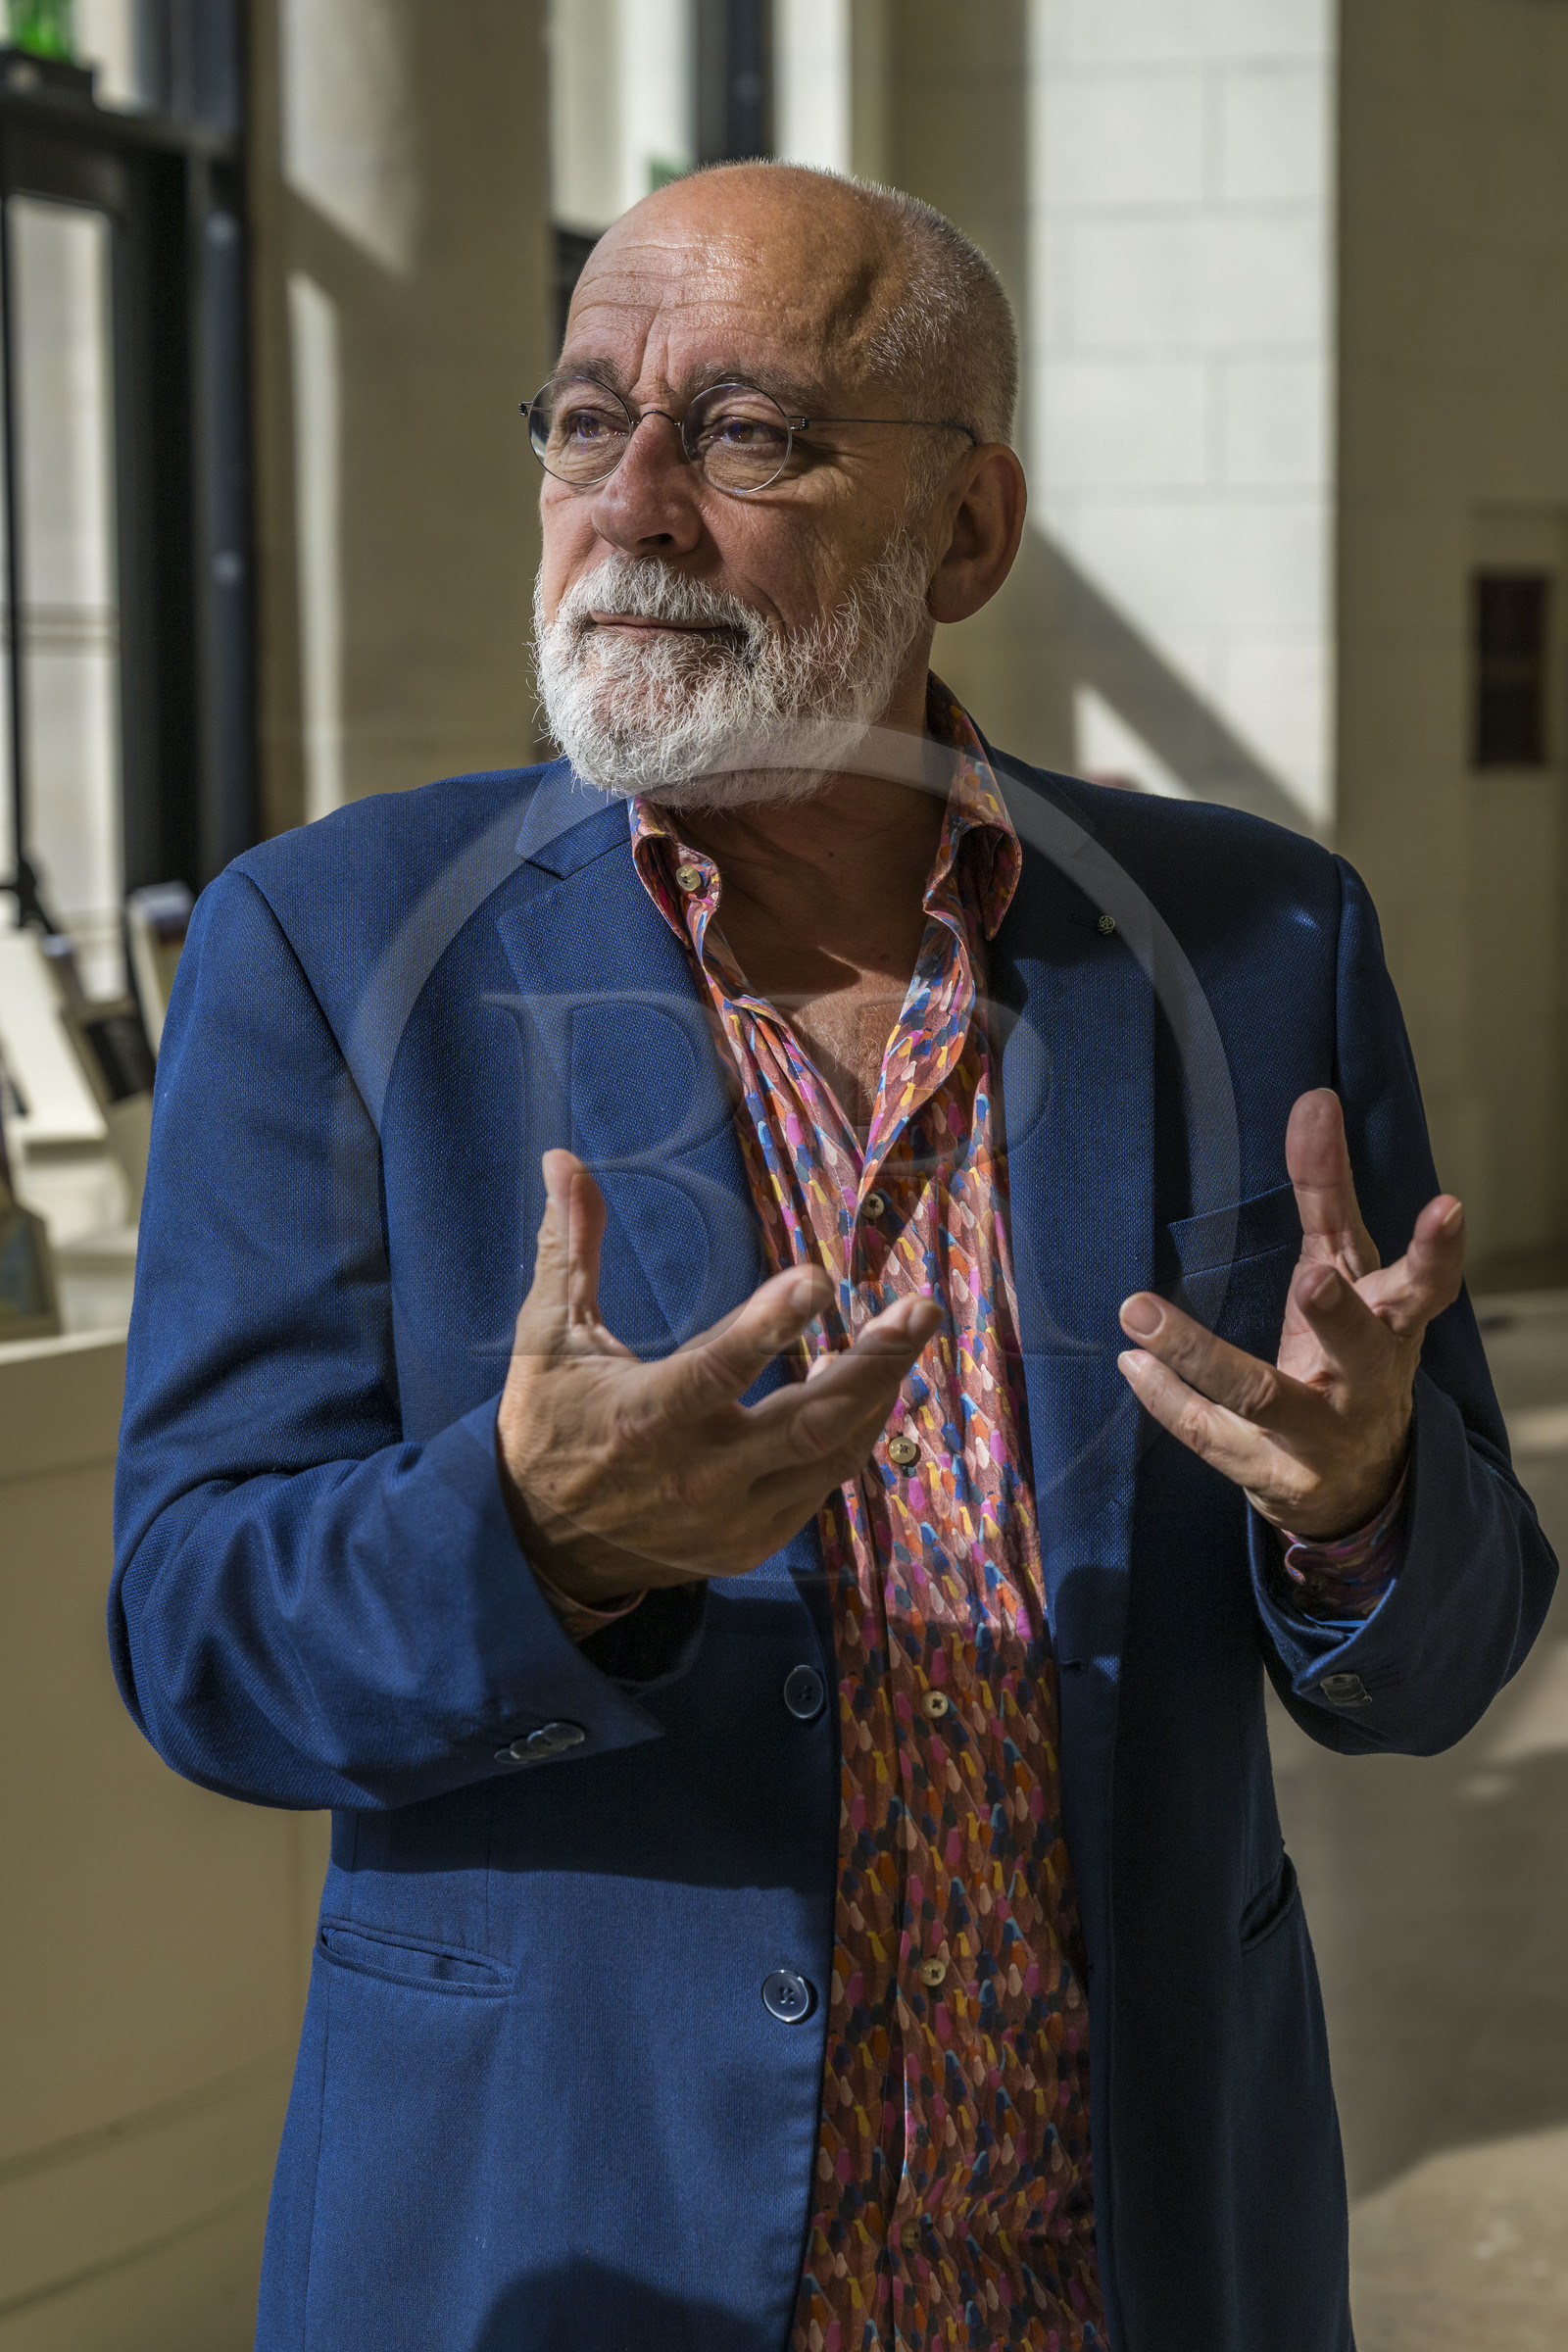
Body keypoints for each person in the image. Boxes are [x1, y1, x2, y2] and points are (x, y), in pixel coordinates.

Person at [111, 164, 1555, 2352]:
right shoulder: (325, 948)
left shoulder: (1257, 941)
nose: (635, 506)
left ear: (962, 532)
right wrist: (538, 1541)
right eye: (587, 422)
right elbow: (198, 1632)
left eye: (746, 432)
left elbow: (1445, 1660)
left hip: (1126, 2264)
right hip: (568, 2250)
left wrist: (1360, 1512)